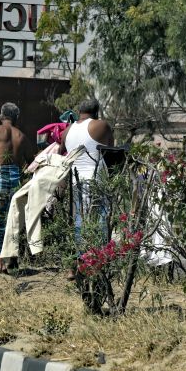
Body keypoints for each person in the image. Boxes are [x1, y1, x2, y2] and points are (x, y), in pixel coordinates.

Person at [60, 98, 114, 270]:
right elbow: (111, 152)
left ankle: (80, 259)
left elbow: (63, 151)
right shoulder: (101, 125)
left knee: (79, 218)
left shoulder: (67, 131)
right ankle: (99, 259)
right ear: (96, 111)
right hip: (95, 179)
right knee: (100, 219)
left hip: (76, 181)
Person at [0, 102, 33, 272]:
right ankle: (12, 258)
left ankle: (0, 261)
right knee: (14, 219)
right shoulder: (22, 136)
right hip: (16, 179)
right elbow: (31, 163)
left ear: (1, 115)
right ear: (16, 118)